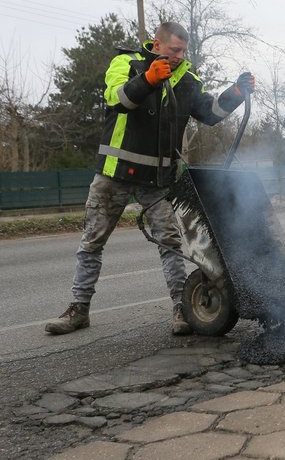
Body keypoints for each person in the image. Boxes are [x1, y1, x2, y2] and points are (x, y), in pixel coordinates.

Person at [45, 22, 255, 336]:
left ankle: (180, 310)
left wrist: (236, 93)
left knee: (169, 244)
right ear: (156, 45)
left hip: (158, 180)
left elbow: (211, 113)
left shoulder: (187, 79)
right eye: (174, 50)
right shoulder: (126, 63)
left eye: (184, 51)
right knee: (92, 242)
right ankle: (79, 310)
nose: (180, 56)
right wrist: (147, 79)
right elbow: (118, 100)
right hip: (114, 174)